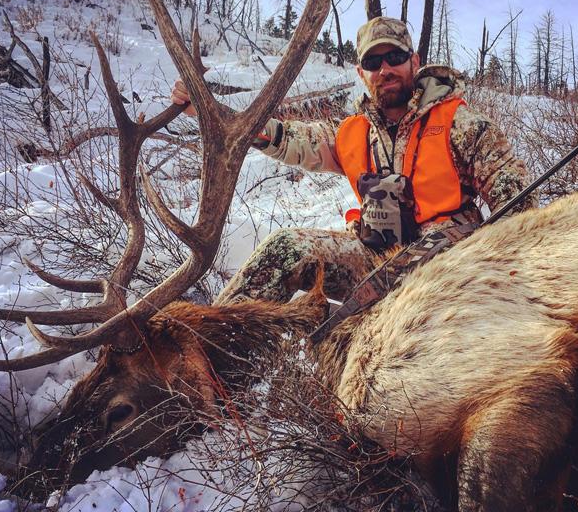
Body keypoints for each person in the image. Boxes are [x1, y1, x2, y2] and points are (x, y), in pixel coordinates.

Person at [171, 17, 535, 305]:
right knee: (285, 250)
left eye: (394, 57)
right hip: (374, 260)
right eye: (372, 62)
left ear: (415, 62)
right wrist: (208, 110)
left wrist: (506, 274)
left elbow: (519, 203)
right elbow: (287, 139)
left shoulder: (462, 124)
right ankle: (203, 357)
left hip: (453, 267)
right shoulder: (351, 133)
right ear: (361, 73)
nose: (385, 69)